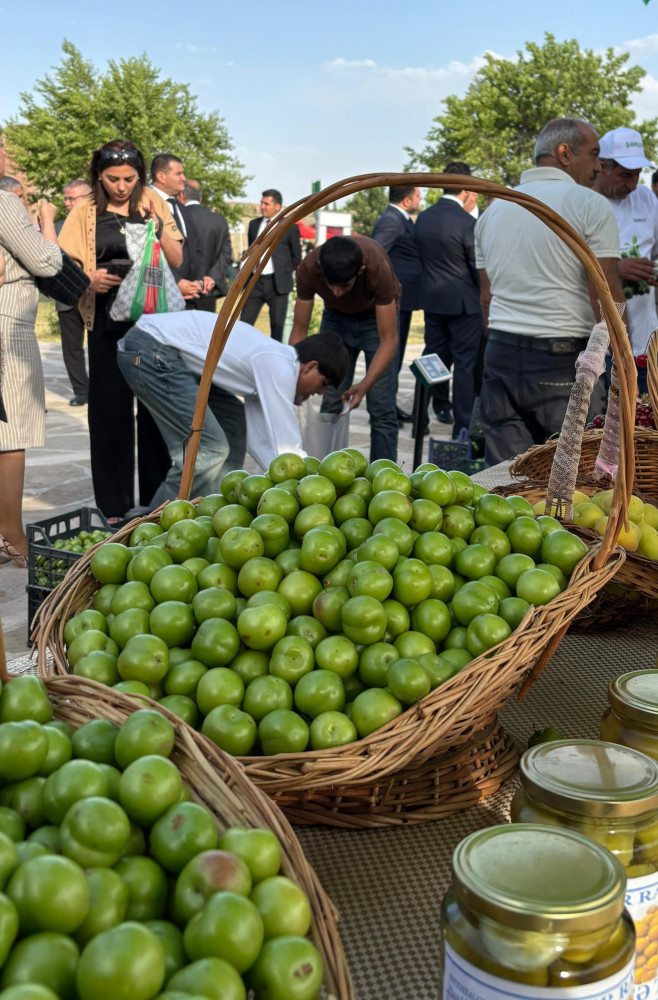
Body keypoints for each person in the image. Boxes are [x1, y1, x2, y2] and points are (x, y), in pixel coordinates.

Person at [475, 117, 625, 466]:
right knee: (570, 488)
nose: (599, 165)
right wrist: (621, 364)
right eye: (594, 153)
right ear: (564, 153)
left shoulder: (493, 210)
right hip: (562, 364)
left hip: (500, 355)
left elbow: (487, 298)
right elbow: (605, 294)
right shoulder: (589, 205)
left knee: (505, 483)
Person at [58, 139, 183, 521]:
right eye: (113, 179)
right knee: (109, 414)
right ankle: (113, 506)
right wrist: (87, 279)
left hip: (152, 325)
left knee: (155, 412)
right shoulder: (85, 210)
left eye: (129, 178)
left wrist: (157, 226)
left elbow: (177, 258)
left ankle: (155, 502)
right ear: (99, 175)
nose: (122, 186)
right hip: (106, 324)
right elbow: (62, 262)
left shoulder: (153, 201)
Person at [117, 314, 348, 505]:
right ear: (311, 367)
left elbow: (262, 445)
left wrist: (284, 484)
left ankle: (210, 510)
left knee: (234, 423)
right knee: (209, 448)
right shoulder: (279, 365)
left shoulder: (271, 367)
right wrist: (315, 487)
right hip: (151, 348)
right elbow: (289, 447)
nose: (317, 393)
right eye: (322, 385)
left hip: (170, 354)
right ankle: (151, 531)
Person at [289, 235, 401, 462]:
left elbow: (389, 340)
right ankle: (323, 472)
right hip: (336, 318)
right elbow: (299, 330)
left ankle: (384, 478)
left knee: (381, 407)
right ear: (322, 269)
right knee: (330, 398)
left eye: (345, 285)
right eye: (332, 285)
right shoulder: (310, 267)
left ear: (360, 270)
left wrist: (364, 385)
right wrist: (292, 379)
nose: (338, 292)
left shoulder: (377, 266)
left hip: (375, 319)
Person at [0, 190, 61, 564]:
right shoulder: (4, 201)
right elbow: (45, 260)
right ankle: (11, 536)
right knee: (10, 436)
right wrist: (47, 224)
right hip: (7, 327)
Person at [415, 163, 483, 438]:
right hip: (465, 304)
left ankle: (420, 419)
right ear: (466, 188)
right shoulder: (468, 222)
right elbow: (477, 265)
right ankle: (462, 427)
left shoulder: (423, 218)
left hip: (432, 300)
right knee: (465, 366)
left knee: (432, 358)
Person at [593, 127, 658, 394]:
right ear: (601, 166)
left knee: (643, 428)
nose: (632, 185)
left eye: (637, 175)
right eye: (624, 176)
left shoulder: (645, 198)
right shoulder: (586, 201)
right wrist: (614, 270)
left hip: (646, 344)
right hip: (600, 347)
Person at [371, 185, 423, 425]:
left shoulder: (400, 218)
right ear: (406, 200)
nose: (421, 199)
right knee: (392, 352)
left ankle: (389, 404)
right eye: (417, 195)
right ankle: (384, 409)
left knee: (397, 352)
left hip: (404, 297)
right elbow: (376, 254)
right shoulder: (391, 221)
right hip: (393, 299)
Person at [241, 189, 301, 341]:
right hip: (255, 283)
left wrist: (284, 272)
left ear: (277, 206)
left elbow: (296, 257)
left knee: (277, 327)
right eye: (261, 202)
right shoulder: (254, 225)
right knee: (243, 325)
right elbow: (251, 252)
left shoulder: (290, 227)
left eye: (266, 203)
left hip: (278, 285)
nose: (262, 206)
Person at [150, 154, 205, 308]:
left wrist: (198, 281)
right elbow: (148, 254)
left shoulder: (181, 208)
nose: (184, 178)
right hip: (159, 299)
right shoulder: (145, 205)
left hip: (189, 298)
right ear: (161, 177)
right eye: (178, 174)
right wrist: (174, 283)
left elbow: (195, 248)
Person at [55, 179, 92, 405]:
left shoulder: (102, 223)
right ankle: (81, 390)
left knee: (102, 345)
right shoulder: (56, 227)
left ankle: (102, 389)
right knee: (72, 347)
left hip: (96, 294)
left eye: (72, 198)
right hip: (66, 296)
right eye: (66, 198)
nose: (68, 203)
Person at [179, 179, 232, 312]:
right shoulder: (219, 220)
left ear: (181, 195)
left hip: (180, 291)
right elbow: (225, 254)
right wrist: (212, 278)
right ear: (201, 197)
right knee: (205, 331)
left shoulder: (174, 218)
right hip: (207, 291)